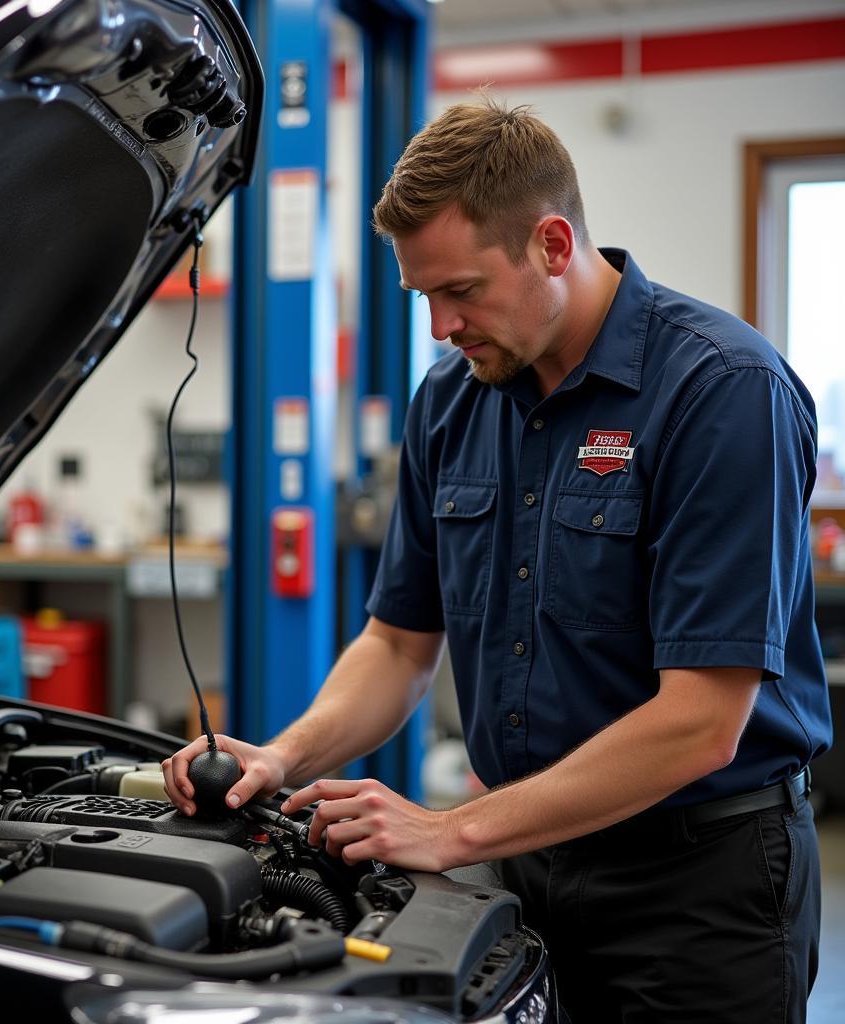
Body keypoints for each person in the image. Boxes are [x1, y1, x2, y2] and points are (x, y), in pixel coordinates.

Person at [163, 99, 831, 1021]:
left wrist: (449, 830)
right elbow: (398, 645)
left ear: (553, 245)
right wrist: (279, 758)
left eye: (463, 290)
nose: (440, 326)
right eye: (423, 297)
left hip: (697, 885)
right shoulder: (450, 402)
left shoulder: (722, 392)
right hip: (527, 862)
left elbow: (701, 723)